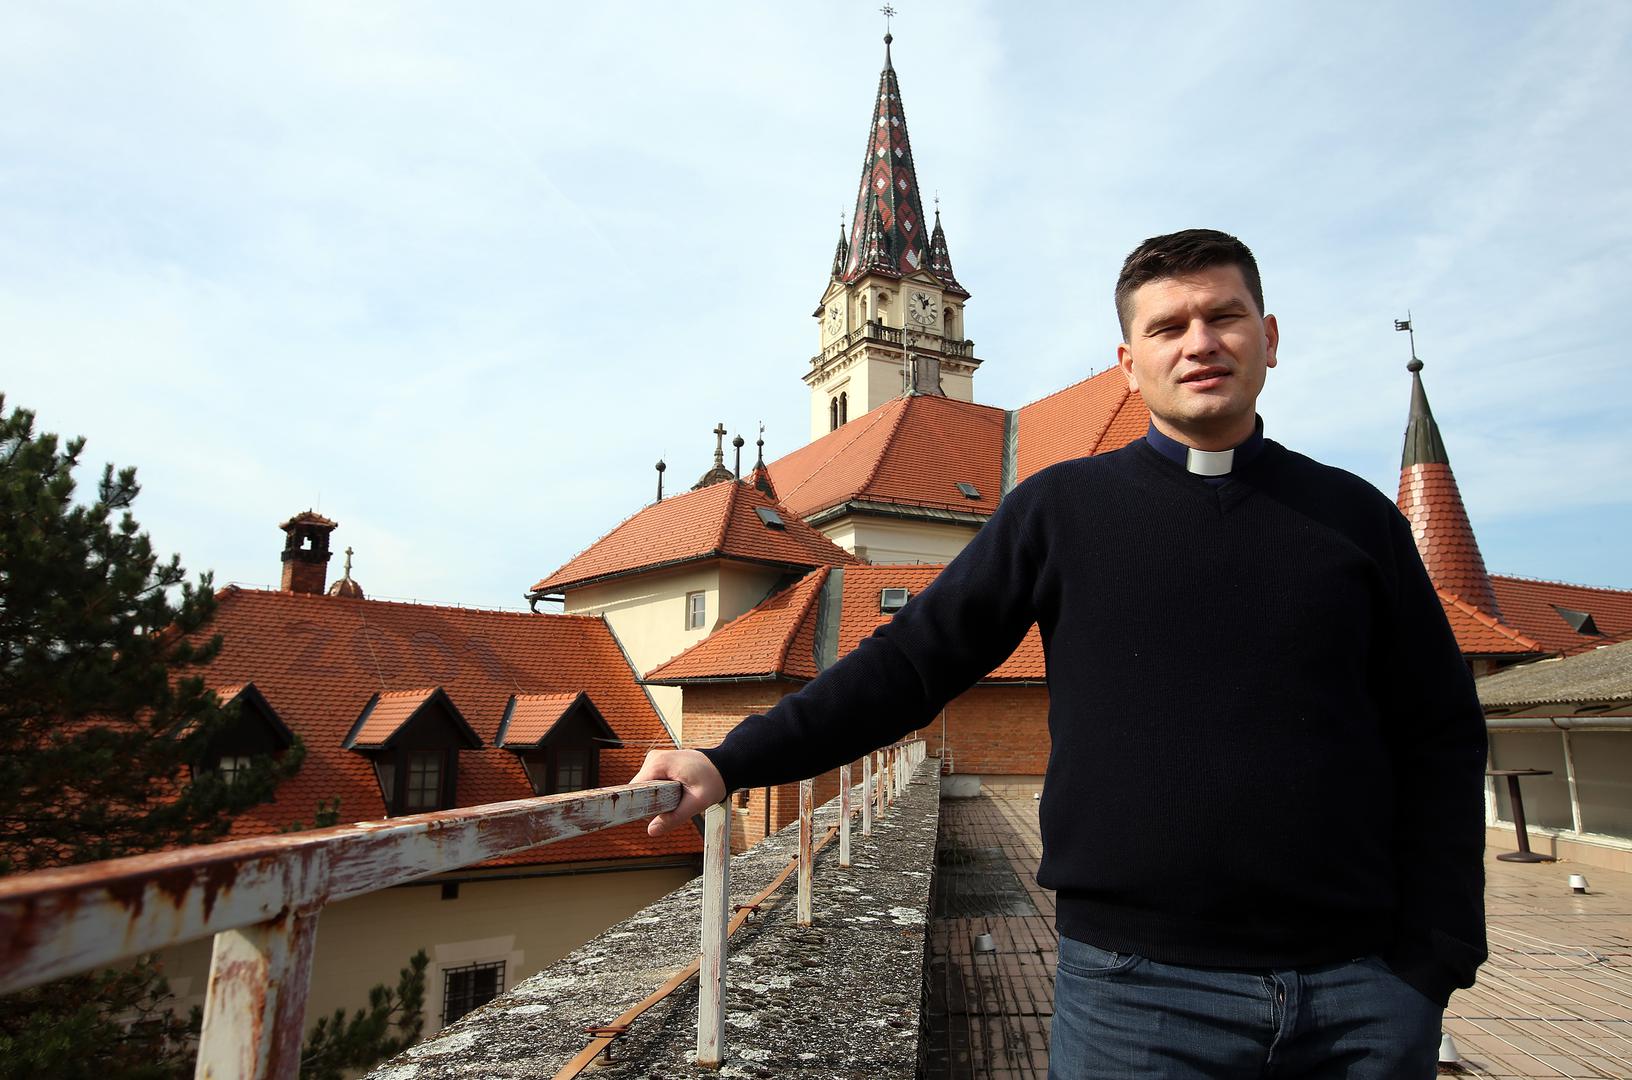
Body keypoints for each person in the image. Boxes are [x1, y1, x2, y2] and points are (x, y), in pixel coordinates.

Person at [634, 228, 1487, 1078]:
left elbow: (1441, 731)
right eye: (1168, 326)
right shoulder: (1061, 510)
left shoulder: (1356, 519)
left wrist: (1435, 956)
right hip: (1139, 997)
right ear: (1129, 363)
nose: (1199, 343)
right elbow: (909, 665)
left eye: (1223, 317)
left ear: (1268, 337)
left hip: (1357, 995)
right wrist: (731, 760)